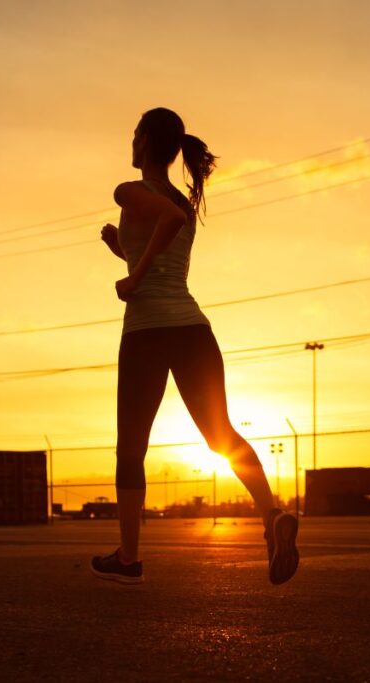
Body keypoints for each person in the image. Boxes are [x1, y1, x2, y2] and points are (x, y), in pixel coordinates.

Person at [90, 107, 299, 586]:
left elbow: (158, 240)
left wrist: (132, 276)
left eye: (134, 132)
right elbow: (163, 244)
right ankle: (271, 518)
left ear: (144, 142)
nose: (131, 138)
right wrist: (121, 250)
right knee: (220, 434)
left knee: (131, 448)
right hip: (192, 328)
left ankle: (128, 557)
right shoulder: (180, 198)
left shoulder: (131, 192)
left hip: (146, 332)